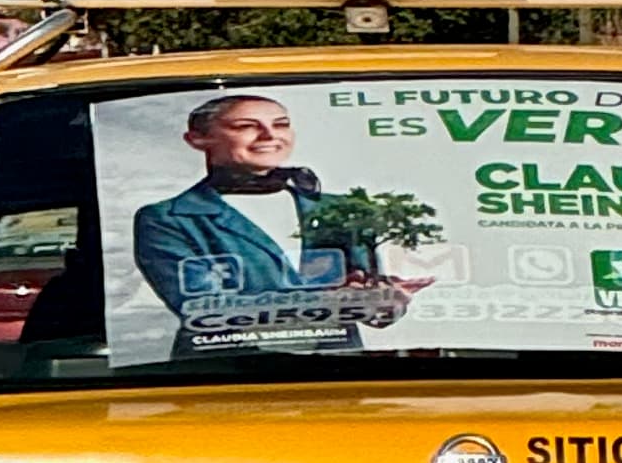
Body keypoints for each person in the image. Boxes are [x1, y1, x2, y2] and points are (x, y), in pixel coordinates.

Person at [127, 91, 414, 358]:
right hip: (226, 377)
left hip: (336, 373)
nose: (269, 135)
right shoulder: (168, 218)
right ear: (197, 139)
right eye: (245, 126)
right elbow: (201, 308)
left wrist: (385, 300)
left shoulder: (340, 209)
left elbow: (370, 294)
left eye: (281, 124)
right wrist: (330, 302)